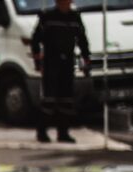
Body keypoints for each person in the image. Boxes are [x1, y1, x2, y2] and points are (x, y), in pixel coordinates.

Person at [30, 0, 90, 143]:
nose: (65, 3)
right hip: (51, 61)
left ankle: (63, 132)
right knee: (49, 99)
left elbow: (82, 39)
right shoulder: (48, 17)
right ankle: (42, 131)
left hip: (68, 61)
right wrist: (37, 60)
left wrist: (86, 57)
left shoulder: (75, 18)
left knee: (66, 99)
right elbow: (35, 39)